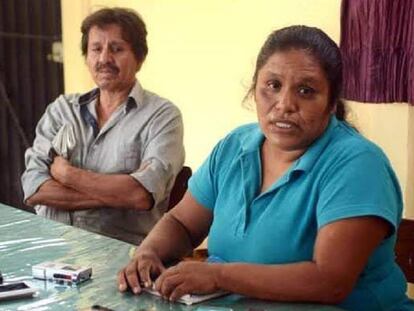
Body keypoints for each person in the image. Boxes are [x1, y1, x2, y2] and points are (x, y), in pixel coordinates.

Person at [117, 26, 414, 310]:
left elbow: (330, 281)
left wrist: (219, 276)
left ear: (332, 101)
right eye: (272, 86)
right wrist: (148, 253)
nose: (284, 104)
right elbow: (182, 223)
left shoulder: (357, 164)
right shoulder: (236, 146)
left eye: (306, 91)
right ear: (254, 90)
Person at [21, 7, 185, 245]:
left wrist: (68, 175)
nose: (104, 59)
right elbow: (35, 190)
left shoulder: (162, 116)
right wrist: (117, 193)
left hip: (121, 256)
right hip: (52, 250)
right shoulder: (62, 110)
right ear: (86, 57)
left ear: (139, 58)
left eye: (117, 49)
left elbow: (140, 195)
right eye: (96, 49)